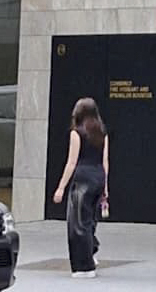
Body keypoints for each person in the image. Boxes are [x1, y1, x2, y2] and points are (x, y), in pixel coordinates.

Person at [52, 97, 109, 280]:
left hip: (82, 179)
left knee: (77, 223)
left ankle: (84, 266)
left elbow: (72, 162)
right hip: (98, 177)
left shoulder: (76, 133)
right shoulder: (102, 133)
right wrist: (105, 187)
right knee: (90, 220)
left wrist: (61, 187)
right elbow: (105, 161)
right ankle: (91, 252)